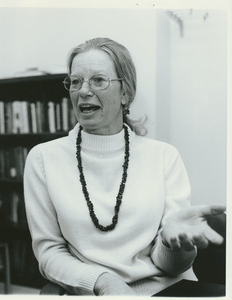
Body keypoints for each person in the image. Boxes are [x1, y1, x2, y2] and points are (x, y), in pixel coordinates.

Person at [23, 37, 225, 296]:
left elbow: (173, 267)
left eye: (98, 80)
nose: (83, 90)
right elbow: (49, 253)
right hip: (93, 292)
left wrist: (172, 244)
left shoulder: (164, 156)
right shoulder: (42, 158)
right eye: (75, 81)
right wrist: (103, 281)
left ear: (126, 93)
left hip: (165, 289)